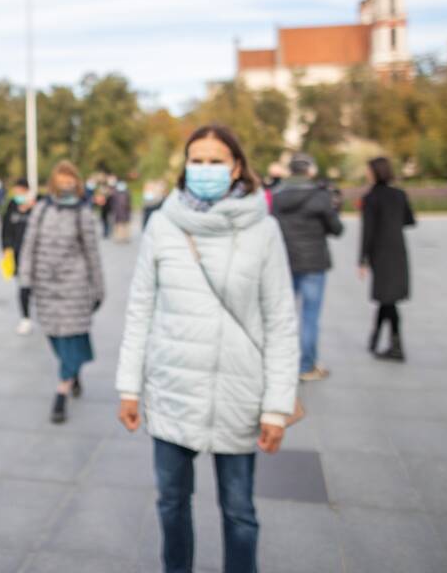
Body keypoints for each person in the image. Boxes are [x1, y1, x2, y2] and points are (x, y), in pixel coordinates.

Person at [116, 124, 298, 573]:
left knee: (239, 512)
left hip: (238, 394)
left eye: (216, 160)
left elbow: (280, 321)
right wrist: (129, 387)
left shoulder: (264, 230)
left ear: (236, 166)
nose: (206, 169)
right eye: (197, 159)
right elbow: (140, 308)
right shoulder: (163, 224)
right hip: (174, 389)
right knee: (172, 504)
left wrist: (276, 408)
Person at [19, 160, 105, 424]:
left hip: (74, 286)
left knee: (70, 336)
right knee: (56, 336)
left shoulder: (83, 212)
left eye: (71, 181)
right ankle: (73, 369)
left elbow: (92, 252)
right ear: (53, 183)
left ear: (77, 184)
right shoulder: (41, 210)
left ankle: (62, 390)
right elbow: (29, 245)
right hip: (46, 287)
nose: (66, 185)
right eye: (62, 181)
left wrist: (98, 288)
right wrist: (25, 280)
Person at [272, 152, 344, 381]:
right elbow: (336, 229)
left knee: (283, 316)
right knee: (310, 317)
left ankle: (279, 364)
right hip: (313, 262)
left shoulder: (277, 195)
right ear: (310, 171)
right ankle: (306, 366)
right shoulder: (320, 195)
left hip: (285, 261)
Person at [360, 156, 416, 361]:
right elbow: (409, 220)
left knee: (387, 299)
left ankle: (395, 345)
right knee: (388, 299)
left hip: (380, 254)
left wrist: (362, 260)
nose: (366, 174)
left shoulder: (371, 198)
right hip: (398, 251)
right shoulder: (399, 195)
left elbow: (367, 232)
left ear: (376, 172)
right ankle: (379, 340)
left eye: (368, 170)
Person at [0, 178, 36, 335]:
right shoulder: (11, 205)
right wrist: (5, 248)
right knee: (23, 287)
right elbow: (5, 228)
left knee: (37, 287)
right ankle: (26, 318)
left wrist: (32, 208)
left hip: (36, 255)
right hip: (17, 254)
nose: (17, 194)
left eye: (20, 191)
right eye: (16, 192)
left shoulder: (38, 204)